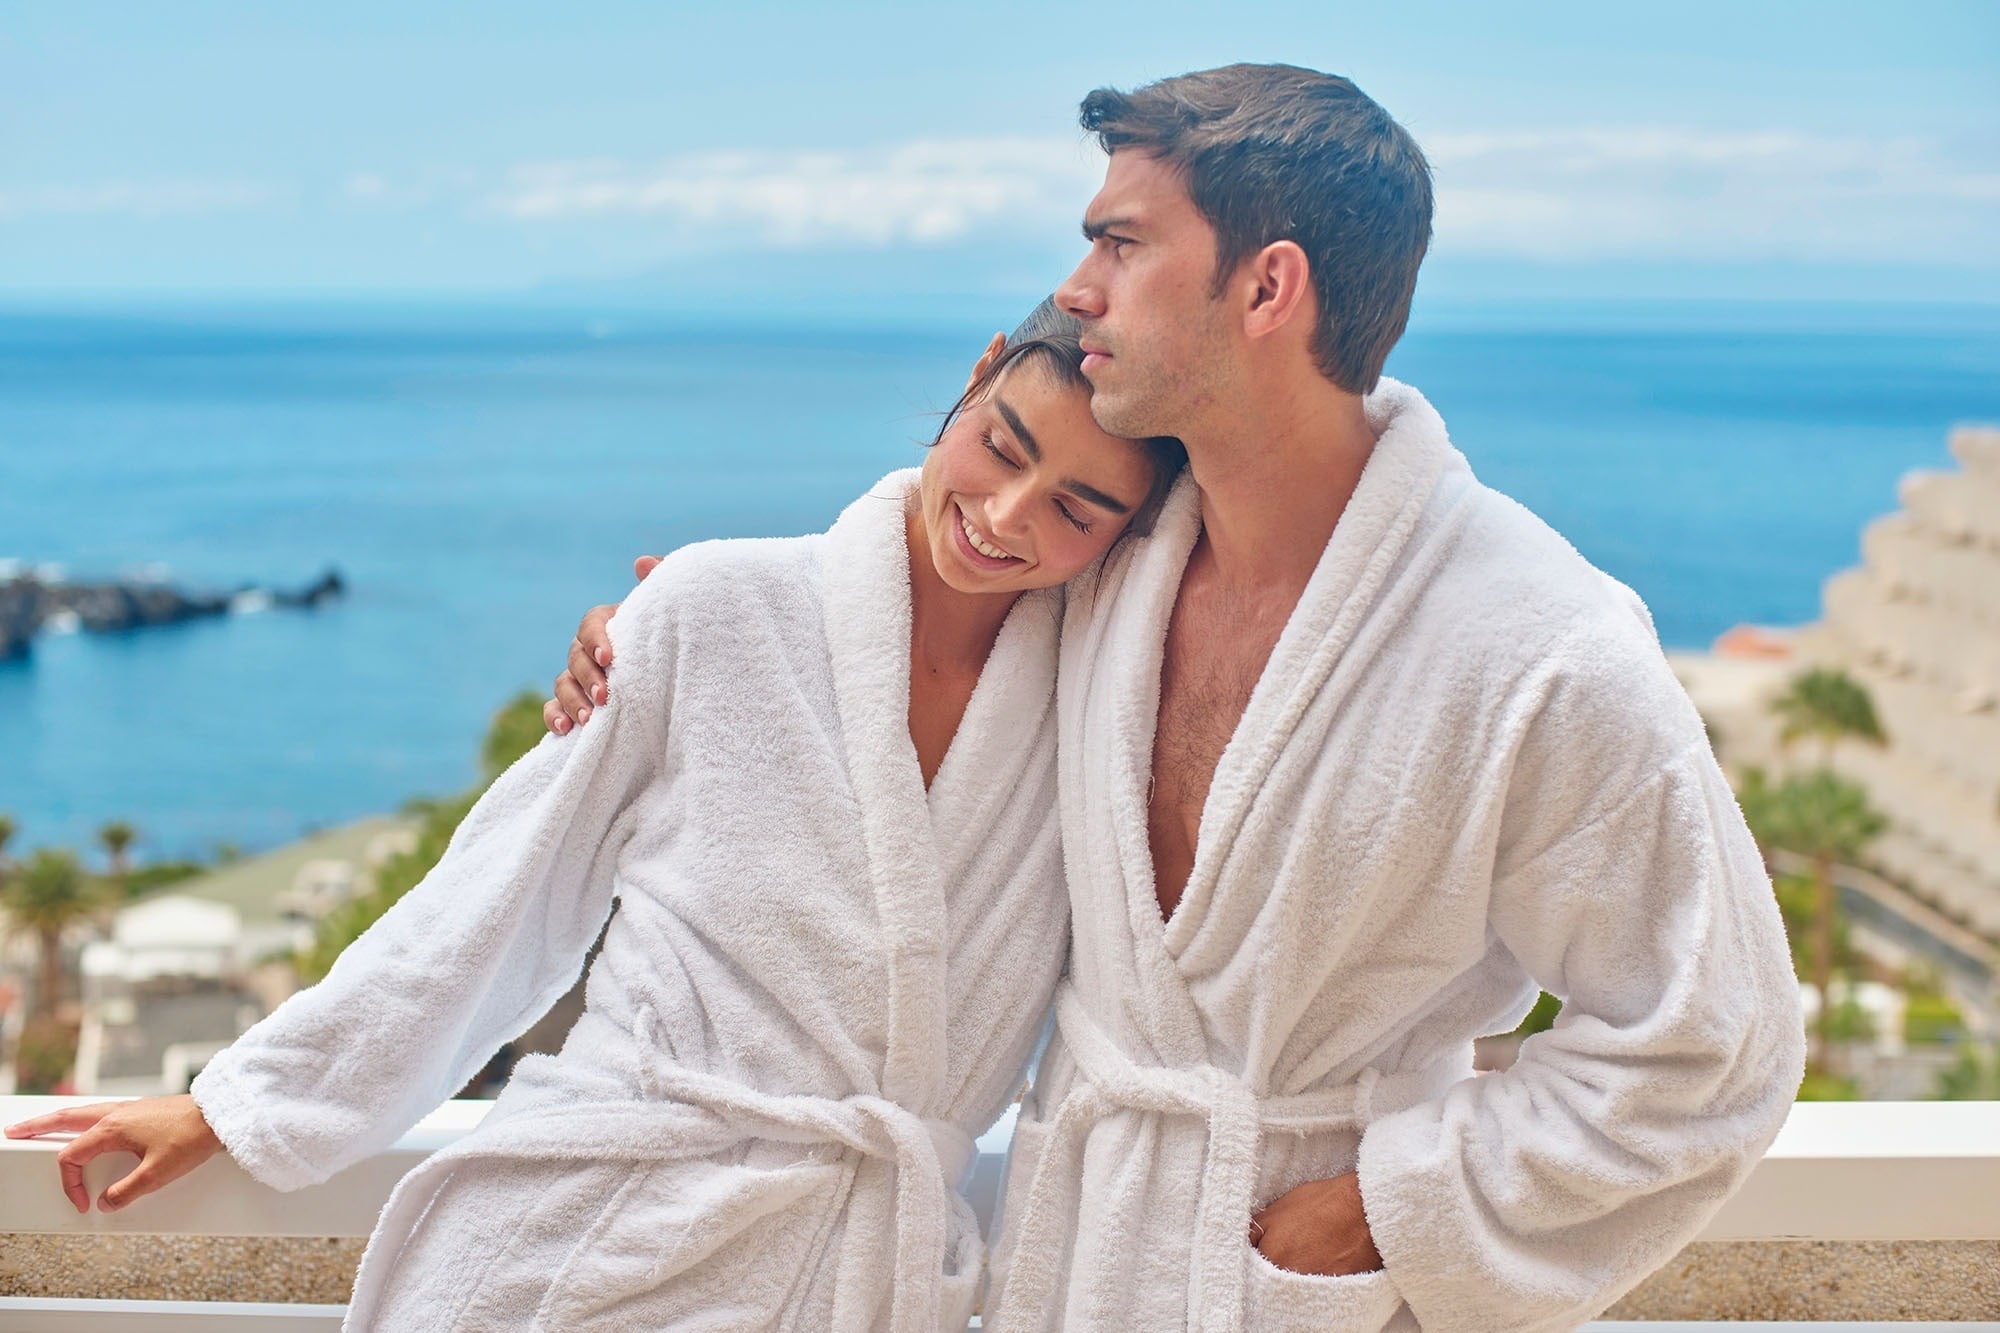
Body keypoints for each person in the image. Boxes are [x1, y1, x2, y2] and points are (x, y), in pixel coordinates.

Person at [548, 65, 1805, 1331]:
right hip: (1070, 1256)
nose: (1075, 289)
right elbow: (899, 606)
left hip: (1300, 1276)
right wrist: (670, 630)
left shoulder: (1536, 646)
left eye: (1120, 244)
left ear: (1267, 287)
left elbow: (1711, 1046)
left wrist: (1385, 1209)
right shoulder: (1102, 565)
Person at [6, 307, 1185, 1332]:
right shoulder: (716, 607)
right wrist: (242, 1101)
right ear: (979, 371)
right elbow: (504, 891)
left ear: (1132, 539)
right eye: (1001, 446)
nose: (1006, 514)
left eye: (1077, 508)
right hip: (586, 1244)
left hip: (861, 1270)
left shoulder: (1094, 708)